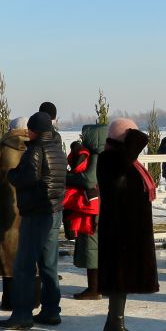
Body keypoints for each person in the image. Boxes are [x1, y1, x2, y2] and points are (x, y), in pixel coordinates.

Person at [0, 111, 67, 330]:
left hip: (36, 212)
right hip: (54, 210)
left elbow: (26, 178)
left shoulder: (35, 151)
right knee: (48, 265)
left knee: (24, 266)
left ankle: (22, 314)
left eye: (30, 128)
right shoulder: (58, 150)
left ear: (36, 130)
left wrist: (12, 175)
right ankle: (51, 311)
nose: (27, 131)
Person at [96, 118, 159, 331]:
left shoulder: (123, 160)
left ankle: (112, 323)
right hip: (119, 229)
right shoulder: (111, 159)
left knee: (121, 278)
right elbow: (138, 144)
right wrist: (135, 136)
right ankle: (115, 328)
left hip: (126, 229)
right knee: (118, 279)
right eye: (131, 133)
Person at [0, 117, 30, 310]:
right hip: (31, 209)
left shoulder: (1, 149)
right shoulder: (37, 147)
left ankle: (8, 300)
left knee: (7, 255)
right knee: (30, 253)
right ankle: (31, 298)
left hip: (6, 209)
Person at [66, 125, 106, 300]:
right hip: (102, 206)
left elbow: (89, 179)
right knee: (97, 247)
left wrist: (67, 177)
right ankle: (99, 287)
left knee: (92, 247)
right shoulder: (108, 153)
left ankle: (94, 289)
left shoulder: (97, 155)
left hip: (93, 209)